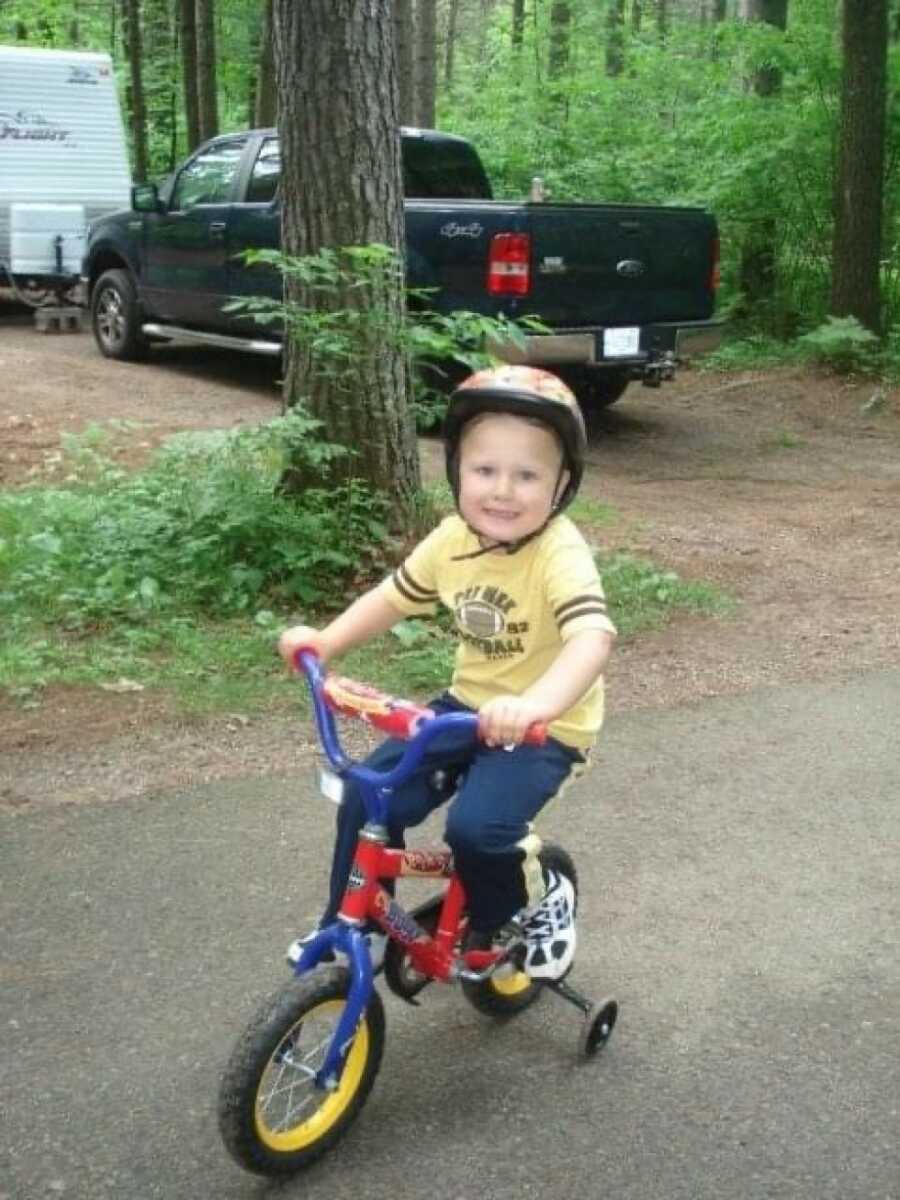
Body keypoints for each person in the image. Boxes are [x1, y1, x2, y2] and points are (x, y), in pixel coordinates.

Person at [278, 365, 616, 980]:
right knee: (368, 791)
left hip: (547, 725)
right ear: (457, 469)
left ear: (562, 484)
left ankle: (535, 907)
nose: (503, 491)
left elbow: (592, 638)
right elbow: (392, 598)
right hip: (467, 705)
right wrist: (323, 644)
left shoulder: (558, 551)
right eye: (485, 470)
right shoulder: (450, 540)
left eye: (527, 475)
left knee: (478, 830)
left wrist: (536, 705)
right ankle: (347, 923)